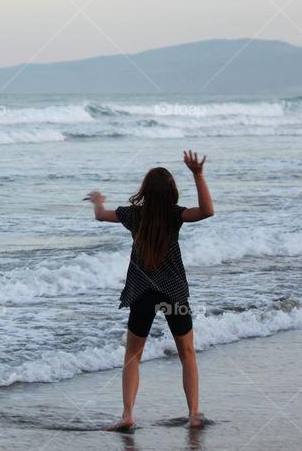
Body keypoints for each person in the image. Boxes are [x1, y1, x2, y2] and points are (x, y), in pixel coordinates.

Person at [84, 150, 214, 431]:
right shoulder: (175, 215)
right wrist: (198, 174)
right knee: (187, 353)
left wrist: (98, 201)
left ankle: (127, 414)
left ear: (145, 190)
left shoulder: (133, 215)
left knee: (133, 355)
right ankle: (193, 413)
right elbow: (207, 211)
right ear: (171, 191)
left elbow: (101, 216)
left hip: (143, 293)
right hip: (173, 293)